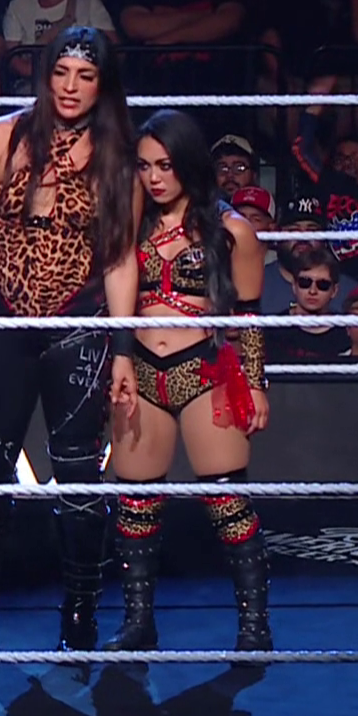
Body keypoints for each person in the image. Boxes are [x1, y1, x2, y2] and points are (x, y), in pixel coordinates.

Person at [0, 25, 141, 652]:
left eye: (85, 76)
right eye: (61, 73)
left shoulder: (117, 158)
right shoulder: (0, 139)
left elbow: (120, 258)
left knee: (79, 475)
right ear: (45, 75)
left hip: (78, 326)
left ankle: (80, 616)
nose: (71, 87)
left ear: (102, 84)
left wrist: (124, 349)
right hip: (2, 323)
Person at [108, 109, 271, 653]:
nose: (154, 178)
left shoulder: (231, 230)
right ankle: (138, 624)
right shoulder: (129, 224)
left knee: (227, 502)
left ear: (188, 163)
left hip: (203, 368)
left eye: (165, 165)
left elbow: (249, 314)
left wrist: (256, 384)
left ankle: (254, 627)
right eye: (144, 166)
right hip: (139, 369)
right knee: (135, 504)